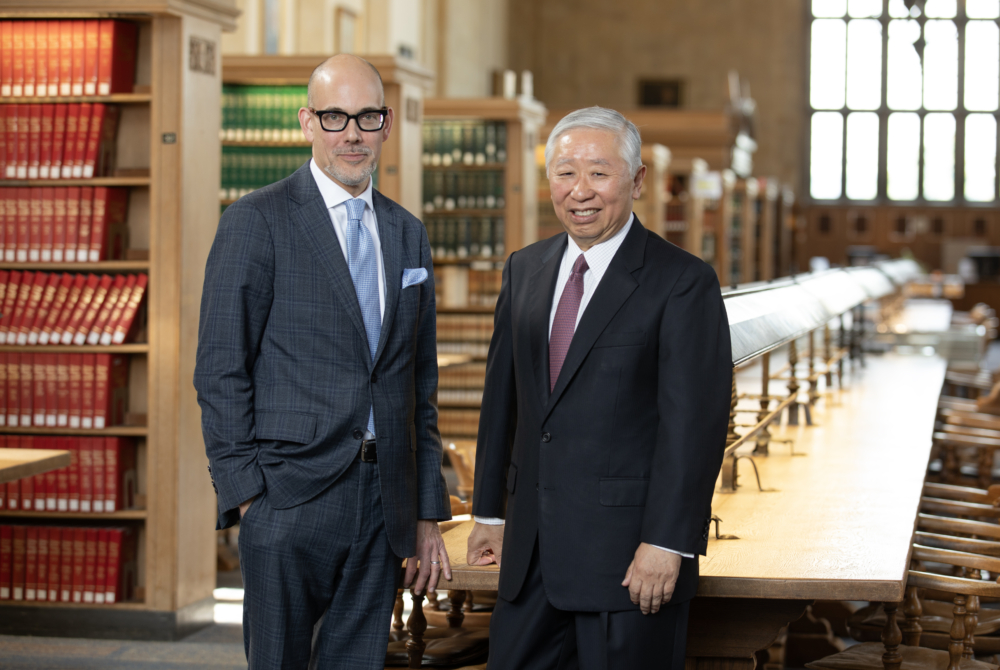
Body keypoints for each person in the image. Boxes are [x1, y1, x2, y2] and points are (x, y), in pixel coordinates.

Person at [195, 54, 451, 669]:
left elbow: (418, 382)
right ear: (308, 122)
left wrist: (426, 509)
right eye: (336, 117)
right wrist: (250, 498)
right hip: (288, 496)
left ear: (387, 125)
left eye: (367, 116)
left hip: (382, 499)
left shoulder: (406, 232)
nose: (353, 133)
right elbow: (220, 369)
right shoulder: (257, 221)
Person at [467, 106, 732, 670]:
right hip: (530, 560)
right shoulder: (524, 270)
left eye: (598, 173)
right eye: (565, 172)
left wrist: (668, 543)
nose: (579, 191)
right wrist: (489, 512)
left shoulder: (682, 282)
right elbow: (503, 405)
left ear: (636, 181)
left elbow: (695, 427)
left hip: (630, 566)